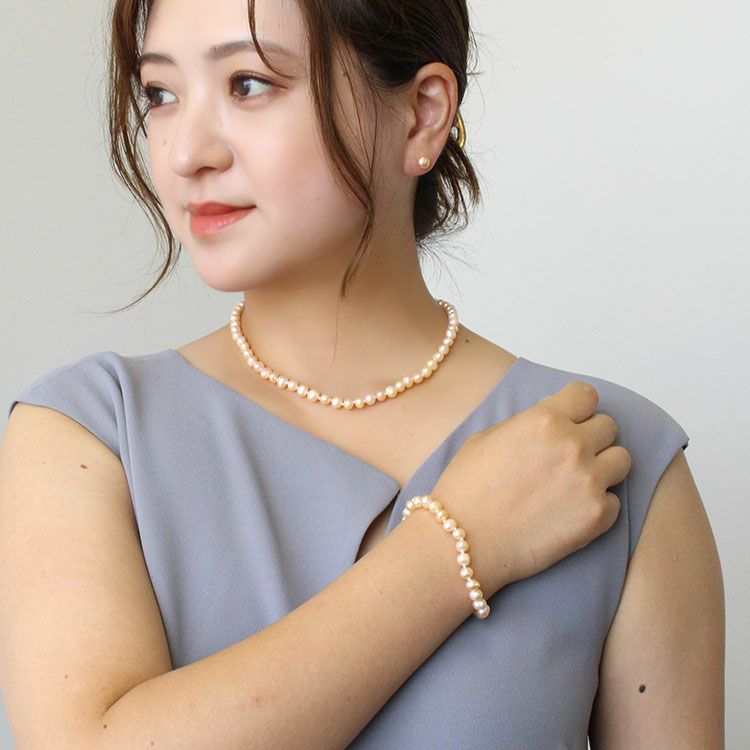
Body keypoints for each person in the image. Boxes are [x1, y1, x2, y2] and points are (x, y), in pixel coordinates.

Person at [0, 0, 724, 747]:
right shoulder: (88, 435)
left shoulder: (607, 459)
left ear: (421, 116)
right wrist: (455, 545)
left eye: (249, 84)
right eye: (161, 93)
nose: (186, 153)